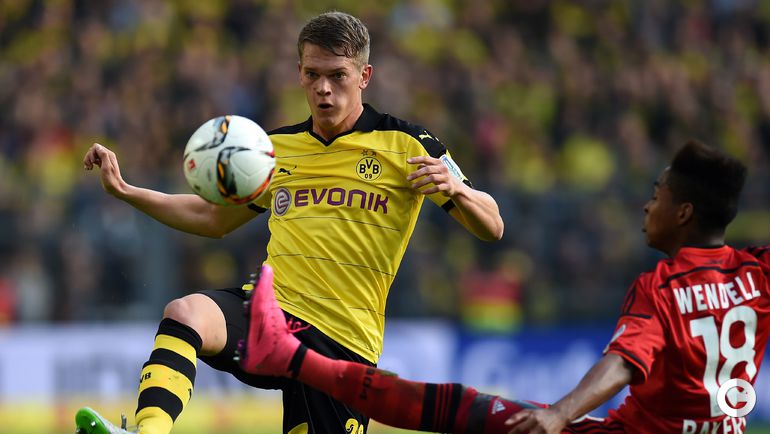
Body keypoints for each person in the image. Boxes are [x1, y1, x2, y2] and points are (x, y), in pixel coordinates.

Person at [74, 11, 504, 434]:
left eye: (338, 76)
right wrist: (127, 191)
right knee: (185, 314)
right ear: (299, 73)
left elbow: (493, 226)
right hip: (273, 315)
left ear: (364, 76)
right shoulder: (274, 149)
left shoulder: (407, 143)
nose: (323, 88)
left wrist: (458, 190)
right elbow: (212, 217)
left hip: (343, 343)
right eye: (313, 74)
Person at [238, 140, 769, 434]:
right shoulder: (756, 271)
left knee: (459, 407)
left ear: (683, 212)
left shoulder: (663, 285)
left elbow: (625, 363)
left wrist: (559, 413)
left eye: (657, 195)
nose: (648, 205)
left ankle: (289, 356)